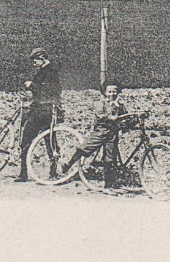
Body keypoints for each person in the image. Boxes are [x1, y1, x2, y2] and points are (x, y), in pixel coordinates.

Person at [60, 83, 127, 180]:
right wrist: (111, 117)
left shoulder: (120, 106)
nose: (112, 94)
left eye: (114, 91)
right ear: (104, 92)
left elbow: (125, 117)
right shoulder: (100, 103)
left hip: (112, 134)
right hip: (100, 132)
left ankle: (108, 185)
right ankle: (68, 164)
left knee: (110, 158)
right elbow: (100, 115)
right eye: (109, 92)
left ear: (118, 92)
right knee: (84, 149)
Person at [16, 46, 62, 182]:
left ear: (42, 59)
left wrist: (31, 85)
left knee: (36, 140)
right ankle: (47, 173)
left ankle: (27, 174)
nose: (34, 64)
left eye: (35, 61)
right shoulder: (46, 70)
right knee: (49, 141)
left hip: (44, 111)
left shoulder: (51, 71)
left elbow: (50, 90)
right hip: (43, 109)